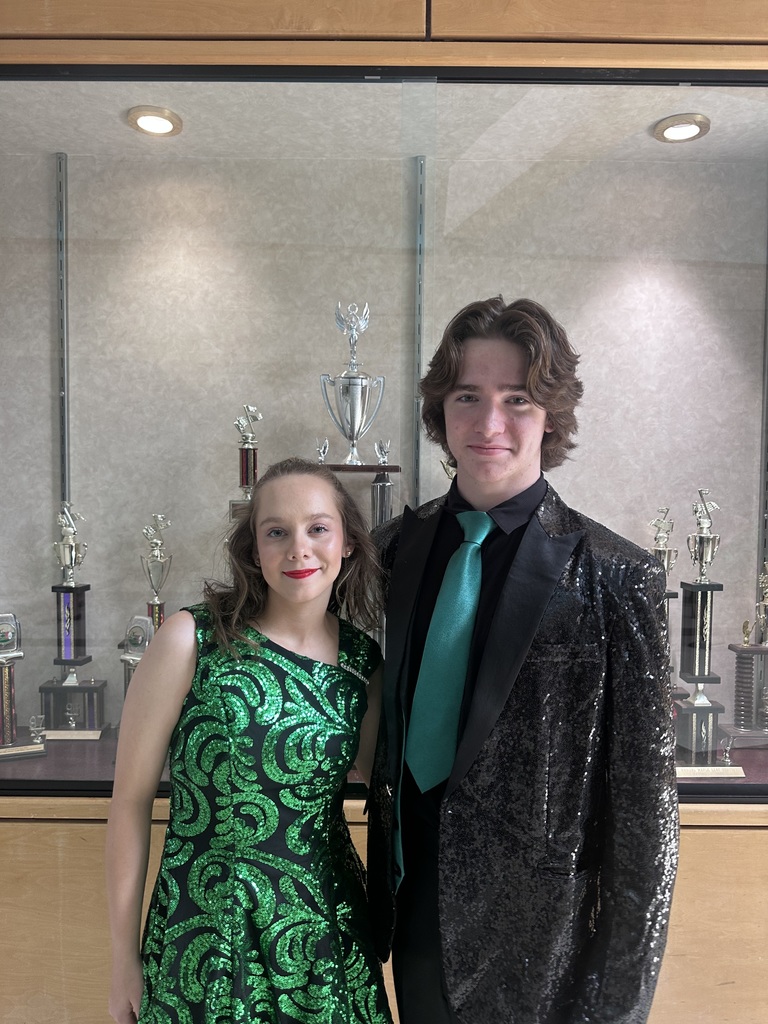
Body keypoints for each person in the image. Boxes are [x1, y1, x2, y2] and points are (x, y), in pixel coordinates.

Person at [367, 297, 679, 1024]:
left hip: (547, 953)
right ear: (441, 409)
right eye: (467, 397)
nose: (489, 424)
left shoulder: (615, 577)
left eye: (517, 401)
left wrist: (616, 1006)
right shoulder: (388, 553)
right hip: (408, 920)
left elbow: (645, 826)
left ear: (552, 416)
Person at [106, 457, 393, 1024]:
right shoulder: (191, 640)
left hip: (325, 947)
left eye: (318, 528)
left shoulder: (365, 665)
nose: (298, 549)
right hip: (204, 929)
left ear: (349, 544)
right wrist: (120, 960)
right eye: (276, 532)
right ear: (253, 550)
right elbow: (130, 803)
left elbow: (391, 800)